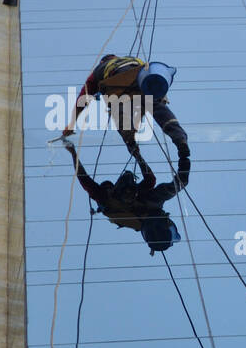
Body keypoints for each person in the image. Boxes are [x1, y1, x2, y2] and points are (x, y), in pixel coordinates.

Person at [62, 101, 191, 255]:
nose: (128, 190)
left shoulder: (111, 205)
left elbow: (85, 180)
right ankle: (124, 110)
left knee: (165, 183)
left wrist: (73, 153)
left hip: (135, 206)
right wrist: (137, 155)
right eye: (130, 190)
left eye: (125, 191)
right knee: (162, 183)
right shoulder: (150, 201)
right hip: (145, 205)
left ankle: (121, 109)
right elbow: (156, 180)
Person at [60, 54, 165, 188]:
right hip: (141, 82)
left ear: (103, 62)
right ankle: (159, 111)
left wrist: (71, 126)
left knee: (122, 115)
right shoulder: (133, 60)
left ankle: (131, 141)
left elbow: (83, 98)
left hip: (118, 89)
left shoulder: (99, 71)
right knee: (145, 101)